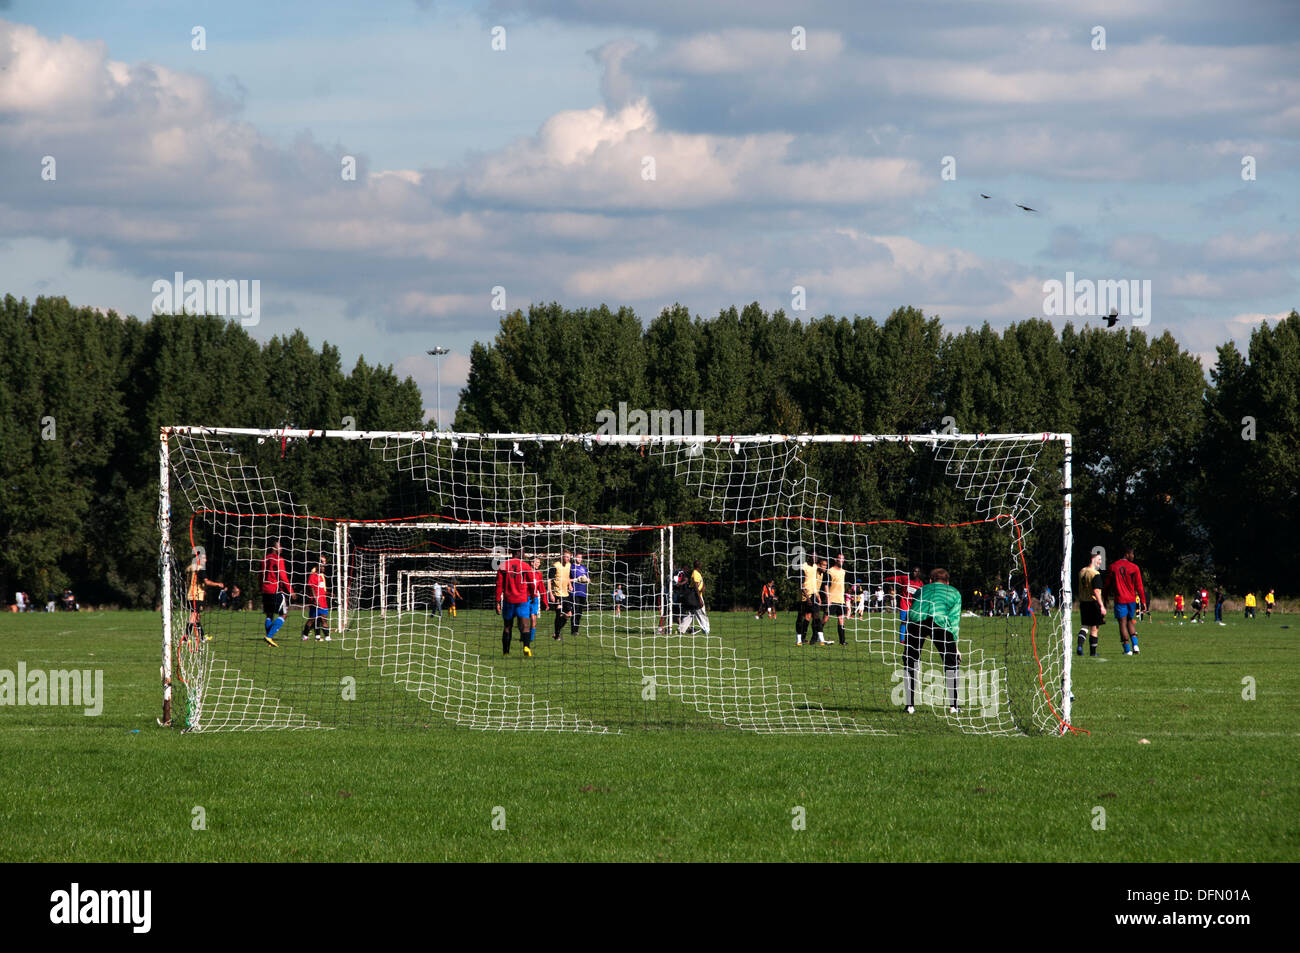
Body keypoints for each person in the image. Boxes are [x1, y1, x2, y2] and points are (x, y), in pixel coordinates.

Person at [903, 568, 963, 714]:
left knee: (911, 660)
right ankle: (953, 706)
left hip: (917, 621)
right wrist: (955, 647)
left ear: (930, 581)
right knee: (950, 662)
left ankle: (910, 705)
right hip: (940, 621)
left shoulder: (921, 590)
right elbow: (954, 621)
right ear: (947, 582)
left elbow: (913, 609)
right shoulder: (954, 593)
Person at [496, 547, 540, 656]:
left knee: (507, 626)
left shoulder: (503, 566)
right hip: (522, 600)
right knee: (525, 625)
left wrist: (497, 601)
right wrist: (533, 595)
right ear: (517, 552)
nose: (525, 555)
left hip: (508, 600)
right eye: (523, 552)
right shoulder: (525, 566)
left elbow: (499, 585)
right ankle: (526, 647)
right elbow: (531, 583)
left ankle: (506, 652)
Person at [1106, 544, 1146, 656]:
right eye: (1132, 554)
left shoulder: (1113, 566)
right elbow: (1139, 586)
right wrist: (1143, 601)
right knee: (1130, 620)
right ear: (1127, 554)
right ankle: (1136, 646)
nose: (1133, 556)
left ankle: (1127, 650)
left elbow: (1108, 584)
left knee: (1122, 624)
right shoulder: (1134, 567)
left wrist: (1105, 597)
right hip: (1131, 599)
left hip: (1120, 599)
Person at [184, 552, 223, 644]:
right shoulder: (200, 569)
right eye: (204, 558)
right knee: (194, 616)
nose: (206, 560)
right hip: (196, 595)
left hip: (190, 594)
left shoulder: (189, 568)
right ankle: (185, 638)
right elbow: (206, 582)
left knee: (197, 616)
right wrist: (218, 584)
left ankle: (201, 637)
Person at [261, 539, 293, 646]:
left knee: (269, 615)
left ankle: (269, 639)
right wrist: (291, 591)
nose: (281, 548)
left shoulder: (264, 559)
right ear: (274, 548)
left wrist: (261, 588)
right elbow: (283, 576)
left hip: (265, 590)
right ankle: (269, 636)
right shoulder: (279, 560)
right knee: (284, 614)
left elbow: (260, 575)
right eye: (279, 546)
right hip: (275, 590)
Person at [1076, 550, 1106, 656]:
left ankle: (1079, 646)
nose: (1100, 562)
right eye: (1099, 560)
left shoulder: (1082, 571)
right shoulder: (1095, 574)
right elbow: (1096, 591)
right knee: (1094, 629)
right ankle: (1093, 653)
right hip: (1093, 603)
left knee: (1084, 626)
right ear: (1093, 559)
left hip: (1083, 603)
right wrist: (1102, 606)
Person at [674, 563, 710, 635]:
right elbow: (695, 586)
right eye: (700, 564)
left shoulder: (698, 573)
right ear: (697, 565)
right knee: (701, 613)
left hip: (697, 595)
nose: (701, 565)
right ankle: (706, 629)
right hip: (696, 596)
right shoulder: (695, 573)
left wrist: (703, 586)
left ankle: (681, 629)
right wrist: (699, 598)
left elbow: (699, 583)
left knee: (691, 614)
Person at [301, 557, 331, 642]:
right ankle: (305, 635)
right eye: (322, 566)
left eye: (324, 567)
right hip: (315, 601)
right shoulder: (313, 576)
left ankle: (327, 637)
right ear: (318, 567)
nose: (324, 568)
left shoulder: (321, 577)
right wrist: (315, 599)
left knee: (324, 619)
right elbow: (311, 588)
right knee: (312, 619)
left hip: (323, 601)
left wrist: (329, 594)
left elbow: (321, 590)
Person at [824, 554, 849, 645]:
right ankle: (817, 635)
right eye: (840, 559)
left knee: (841, 619)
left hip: (841, 600)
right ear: (836, 560)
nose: (842, 561)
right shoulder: (830, 571)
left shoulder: (843, 571)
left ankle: (842, 641)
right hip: (832, 599)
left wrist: (846, 599)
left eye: (843, 559)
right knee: (825, 618)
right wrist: (828, 598)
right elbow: (826, 585)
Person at [550, 550, 573, 641]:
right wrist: (550, 593)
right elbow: (549, 580)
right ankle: (557, 635)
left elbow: (567, 576)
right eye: (566, 556)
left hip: (565, 594)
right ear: (562, 556)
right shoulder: (555, 566)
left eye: (569, 557)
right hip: (557, 594)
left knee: (569, 614)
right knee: (558, 613)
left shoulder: (569, 565)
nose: (568, 558)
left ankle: (557, 632)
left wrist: (570, 585)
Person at [569, 552, 590, 637]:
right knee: (575, 611)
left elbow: (589, 580)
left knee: (580, 612)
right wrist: (577, 579)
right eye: (578, 557)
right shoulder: (571, 567)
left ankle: (576, 629)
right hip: (575, 592)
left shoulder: (584, 568)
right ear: (575, 558)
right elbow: (567, 579)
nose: (579, 559)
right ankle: (573, 630)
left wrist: (585, 579)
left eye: (581, 558)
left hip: (583, 593)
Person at [528, 557, 548, 630]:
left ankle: (531, 638)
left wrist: (545, 602)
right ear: (532, 563)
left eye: (539, 563)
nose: (538, 564)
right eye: (537, 562)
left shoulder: (539, 574)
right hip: (525, 598)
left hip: (535, 598)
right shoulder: (526, 573)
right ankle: (524, 636)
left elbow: (542, 589)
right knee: (524, 619)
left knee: (533, 618)